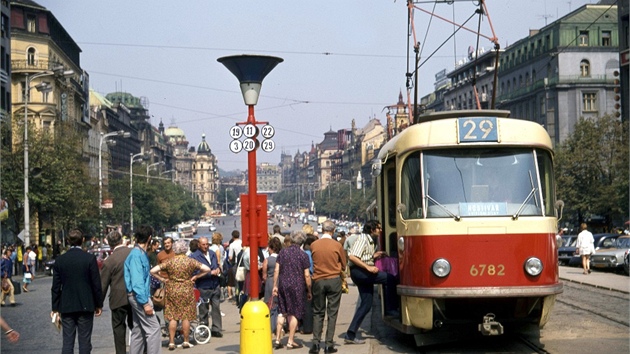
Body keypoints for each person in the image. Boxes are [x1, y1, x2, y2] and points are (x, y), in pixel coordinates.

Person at [344, 220, 397, 345]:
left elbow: (363, 256)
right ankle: (391, 309)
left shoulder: (369, 240)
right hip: (361, 272)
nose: (380, 230)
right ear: (372, 229)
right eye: (378, 228)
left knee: (366, 304)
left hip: (361, 273)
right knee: (389, 278)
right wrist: (368, 267)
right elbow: (352, 256)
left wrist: (374, 255)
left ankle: (350, 334)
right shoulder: (363, 239)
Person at [151, 239, 211, 350]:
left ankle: (172, 342)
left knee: (173, 317)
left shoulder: (170, 261)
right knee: (186, 316)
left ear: (175, 249)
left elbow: (153, 271)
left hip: (172, 289)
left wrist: (163, 279)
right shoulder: (190, 261)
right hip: (187, 289)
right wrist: (196, 276)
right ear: (184, 249)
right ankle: (186, 341)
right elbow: (207, 269)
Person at [51, 229, 104, 354]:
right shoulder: (89, 259)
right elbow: (96, 284)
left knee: (67, 342)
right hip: (86, 304)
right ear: (83, 240)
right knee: (85, 342)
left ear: (68, 241)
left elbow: (55, 287)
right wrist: (98, 304)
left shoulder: (60, 260)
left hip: (66, 305)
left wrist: (55, 308)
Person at [309, 220, 347, 354]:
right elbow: (343, 264)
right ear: (333, 230)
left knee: (318, 312)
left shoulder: (313, 245)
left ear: (321, 230)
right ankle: (329, 344)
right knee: (332, 312)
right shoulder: (337, 245)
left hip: (318, 280)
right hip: (334, 279)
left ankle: (315, 343)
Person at [124, 225, 161, 354]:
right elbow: (137, 281)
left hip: (137, 295)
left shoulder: (139, 253)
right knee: (154, 329)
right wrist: (145, 303)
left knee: (138, 330)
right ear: (149, 238)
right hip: (139, 296)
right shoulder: (136, 255)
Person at [272, 230, 311, 349]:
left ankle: (278, 339)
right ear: (302, 242)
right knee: (295, 312)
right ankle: (290, 341)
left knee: (282, 311)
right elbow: (307, 275)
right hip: (297, 286)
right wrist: (309, 290)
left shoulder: (283, 252)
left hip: (283, 285)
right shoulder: (303, 255)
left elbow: (276, 270)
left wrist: (275, 285)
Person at [100, 230, 133, 354]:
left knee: (118, 328)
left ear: (109, 244)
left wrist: (98, 304)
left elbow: (103, 285)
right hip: (135, 295)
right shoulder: (133, 253)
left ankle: (121, 352)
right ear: (121, 240)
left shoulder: (109, 261)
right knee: (136, 325)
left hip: (117, 299)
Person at [189, 236, 223, 338]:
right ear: (199, 245)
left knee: (216, 308)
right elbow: (194, 273)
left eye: (207, 244)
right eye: (203, 245)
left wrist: (218, 270)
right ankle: (204, 329)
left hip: (215, 285)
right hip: (203, 286)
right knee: (203, 309)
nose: (205, 246)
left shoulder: (212, 253)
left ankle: (216, 329)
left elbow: (216, 265)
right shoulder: (194, 257)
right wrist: (209, 273)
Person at [262, 237, 282, 303]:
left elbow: (264, 276)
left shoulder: (267, 260)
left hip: (270, 282)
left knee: (270, 302)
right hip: (281, 281)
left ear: (271, 248)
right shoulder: (282, 258)